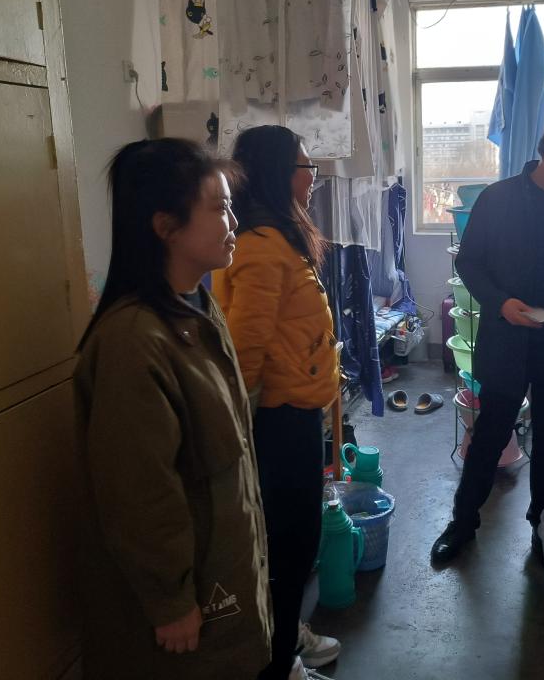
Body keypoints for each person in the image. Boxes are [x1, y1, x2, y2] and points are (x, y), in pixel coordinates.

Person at [74, 138, 271, 679]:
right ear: (166, 227)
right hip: (189, 605)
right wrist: (170, 600)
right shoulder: (134, 341)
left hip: (221, 573)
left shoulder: (196, 310)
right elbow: (138, 490)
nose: (234, 221)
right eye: (219, 208)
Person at [430, 119, 544, 565]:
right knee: (490, 433)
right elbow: (470, 263)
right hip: (508, 338)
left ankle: (543, 527)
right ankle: (462, 522)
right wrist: (501, 303)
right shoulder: (499, 200)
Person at [213, 126, 341, 680]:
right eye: (305, 166)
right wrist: (239, 433)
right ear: (276, 173)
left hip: (295, 412)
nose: (312, 177)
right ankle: (279, 661)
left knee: (290, 545)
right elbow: (244, 351)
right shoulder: (262, 246)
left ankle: (282, 637)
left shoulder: (278, 236)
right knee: (291, 547)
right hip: (278, 422)